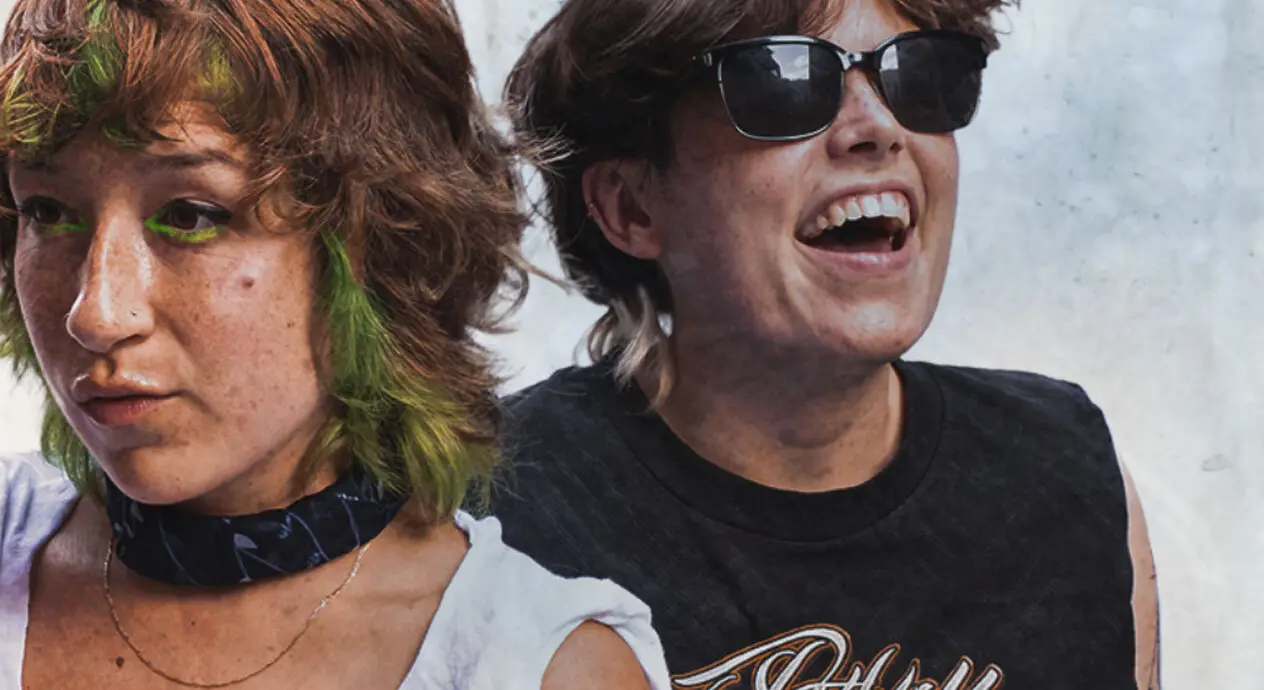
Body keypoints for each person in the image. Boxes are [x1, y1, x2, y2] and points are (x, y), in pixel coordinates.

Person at [0, 1, 671, 688]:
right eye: (49, 211)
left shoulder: (543, 666)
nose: (96, 313)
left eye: (190, 215)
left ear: (384, 248)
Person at [488, 0, 1160, 687]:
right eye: (782, 81)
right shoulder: (499, 515)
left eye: (922, 74)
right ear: (631, 206)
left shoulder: (1063, 474)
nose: (878, 129)